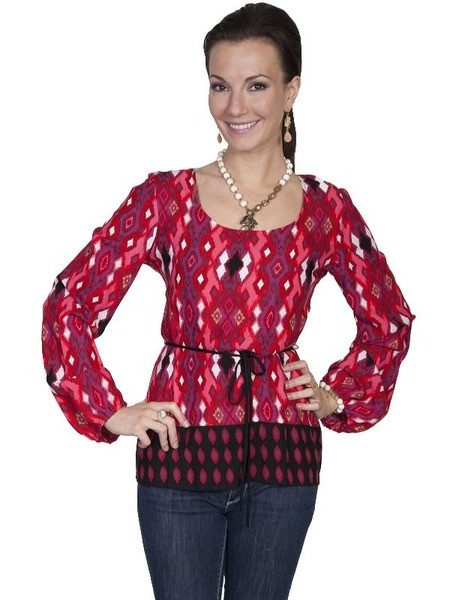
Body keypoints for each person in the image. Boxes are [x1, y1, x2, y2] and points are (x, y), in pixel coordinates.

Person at [41, 3, 416, 599]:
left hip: (285, 456)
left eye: (256, 85)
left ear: (292, 90)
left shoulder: (328, 209)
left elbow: (388, 319)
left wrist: (334, 395)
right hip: (179, 446)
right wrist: (108, 409)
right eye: (220, 86)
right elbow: (70, 302)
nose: (235, 106)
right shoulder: (165, 198)